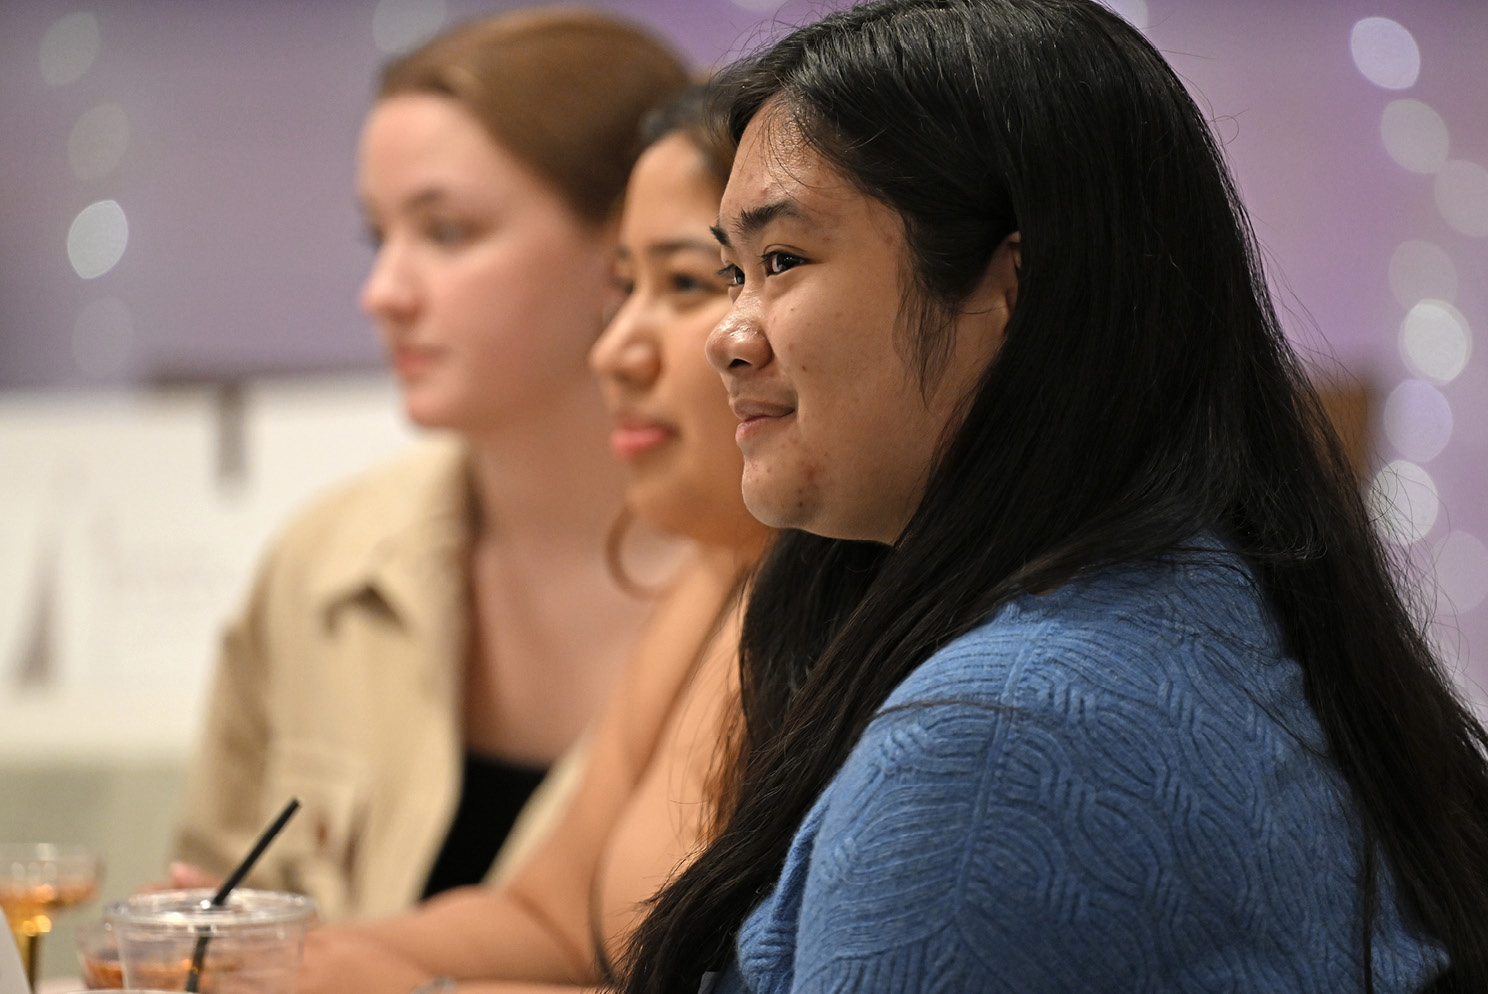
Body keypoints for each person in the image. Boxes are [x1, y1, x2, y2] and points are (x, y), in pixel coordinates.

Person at [618, 2, 1488, 992]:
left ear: (1016, 290)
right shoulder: (1185, 589)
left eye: (781, 262)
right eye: (728, 272)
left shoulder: (996, 741)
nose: (726, 336)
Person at [170, 8, 689, 922]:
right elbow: (203, 899)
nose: (384, 293)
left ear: (629, 248)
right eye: (379, 237)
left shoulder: (777, 586)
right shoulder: (321, 566)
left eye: (445, 232)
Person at [295, 86, 772, 994]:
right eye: (623, 288)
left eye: (683, 285)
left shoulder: (895, 609)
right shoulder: (724, 570)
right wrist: (285, 958)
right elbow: (549, 920)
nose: (613, 351)